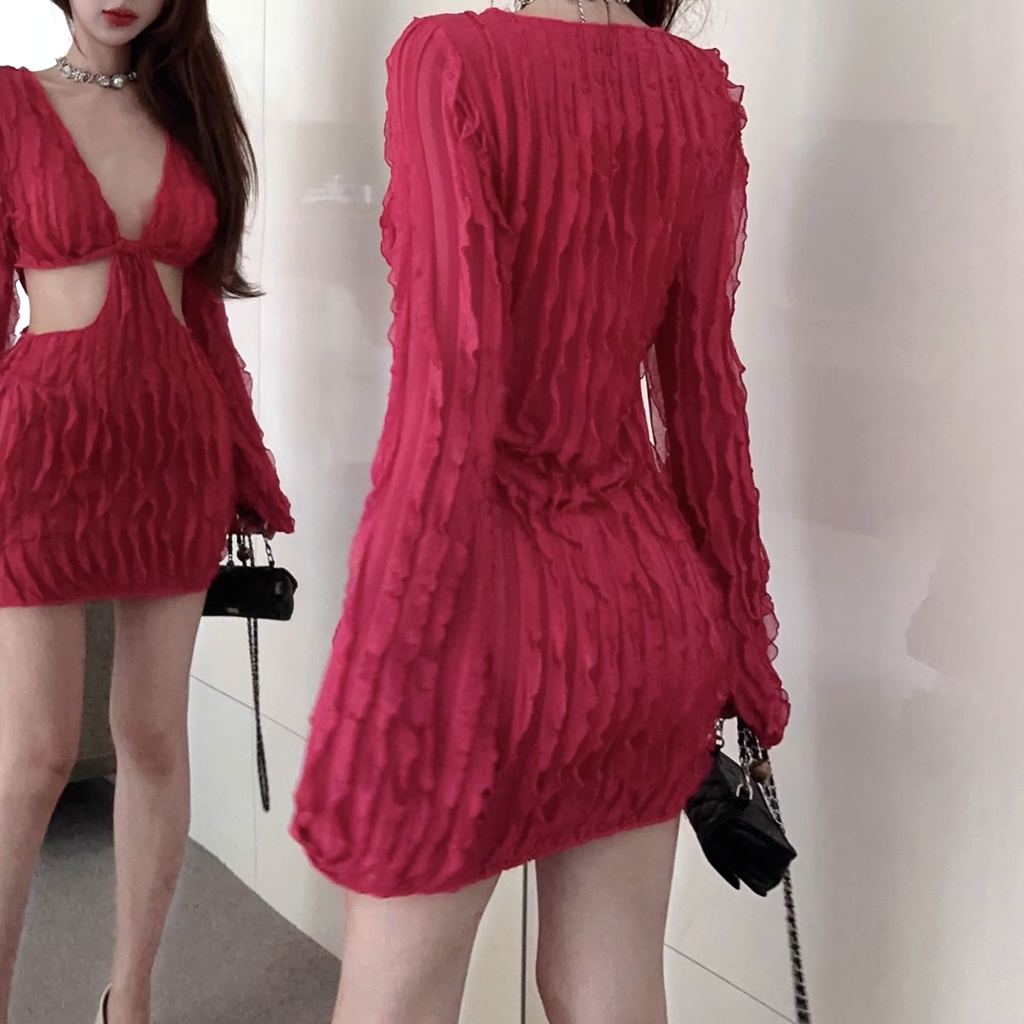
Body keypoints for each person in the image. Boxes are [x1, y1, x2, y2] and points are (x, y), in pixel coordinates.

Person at [291, 1, 789, 1022]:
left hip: (480, 610)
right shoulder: (694, 92)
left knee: (395, 1000)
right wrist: (741, 641)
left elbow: (446, 394)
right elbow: (702, 393)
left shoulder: (450, 60)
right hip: (642, 607)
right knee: (605, 984)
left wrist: (390, 650)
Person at [0, 1, 293, 1022]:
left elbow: (204, 318)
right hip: (42, 449)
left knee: (154, 735)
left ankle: (131, 999)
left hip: (175, 452)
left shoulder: (190, 111)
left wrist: (248, 471)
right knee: (34, 752)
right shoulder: (9, 105)